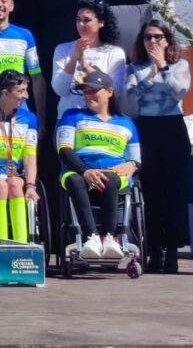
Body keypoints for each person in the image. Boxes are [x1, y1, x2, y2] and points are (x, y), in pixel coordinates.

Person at [124, 20, 190, 273]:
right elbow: (131, 100)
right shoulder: (134, 67)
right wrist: (150, 75)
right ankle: (153, 249)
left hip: (172, 127)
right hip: (147, 128)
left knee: (173, 191)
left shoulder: (180, 65)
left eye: (157, 37)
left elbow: (179, 91)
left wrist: (162, 66)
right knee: (151, 192)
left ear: (167, 40)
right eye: (147, 37)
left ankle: (172, 252)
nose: (152, 41)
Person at [56, 69, 140, 261]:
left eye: (94, 90)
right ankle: (91, 238)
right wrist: (86, 171)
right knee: (75, 180)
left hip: (114, 174)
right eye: (85, 91)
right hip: (77, 171)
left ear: (109, 92)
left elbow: (137, 159)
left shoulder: (126, 123)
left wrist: (133, 165)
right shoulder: (71, 115)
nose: (88, 95)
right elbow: (64, 149)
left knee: (109, 178)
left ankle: (110, 238)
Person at [0, 70, 39, 243]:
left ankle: (22, 244)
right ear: (5, 93)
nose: (26, 96)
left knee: (15, 184)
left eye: (26, 90)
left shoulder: (29, 118)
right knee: (1, 185)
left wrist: (31, 186)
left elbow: (30, 156)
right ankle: (0, 243)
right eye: (20, 91)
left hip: (15, 174)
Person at [51, 0, 127, 118]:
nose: (81, 24)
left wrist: (85, 66)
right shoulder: (62, 49)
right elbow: (60, 90)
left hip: (100, 120)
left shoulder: (115, 53)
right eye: (78, 20)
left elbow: (115, 91)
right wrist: (74, 58)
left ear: (101, 22)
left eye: (86, 20)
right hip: (69, 119)